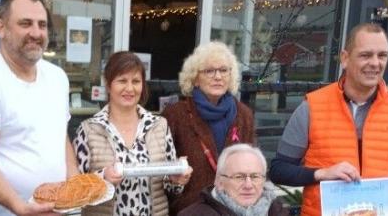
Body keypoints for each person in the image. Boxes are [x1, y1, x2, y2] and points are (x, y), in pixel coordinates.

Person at [269, 23, 388, 216]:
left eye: (382, 55)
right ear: (345, 58)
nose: (375, 63)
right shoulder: (311, 107)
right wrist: (321, 174)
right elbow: (278, 170)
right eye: (366, 55)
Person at [0, 0, 78, 215]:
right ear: (1, 28)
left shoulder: (57, 77)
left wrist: (73, 185)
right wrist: (20, 206)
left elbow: (60, 137)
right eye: (26, 23)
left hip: (56, 210)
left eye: (42, 25)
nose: (36, 32)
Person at [74, 51, 193, 216]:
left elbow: (168, 184)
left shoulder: (159, 126)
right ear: (108, 84)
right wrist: (103, 179)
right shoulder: (89, 130)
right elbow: (75, 190)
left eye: (136, 81)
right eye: (122, 80)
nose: (129, 88)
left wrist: (176, 179)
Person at [162, 42, 255, 215]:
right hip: (191, 211)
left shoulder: (244, 115)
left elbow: (253, 166)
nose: (218, 76)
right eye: (209, 71)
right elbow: (163, 172)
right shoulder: (175, 115)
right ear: (195, 78)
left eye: (223, 70)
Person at [179, 144, 287, 216]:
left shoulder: (277, 211)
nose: (248, 185)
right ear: (220, 182)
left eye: (255, 176)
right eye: (239, 177)